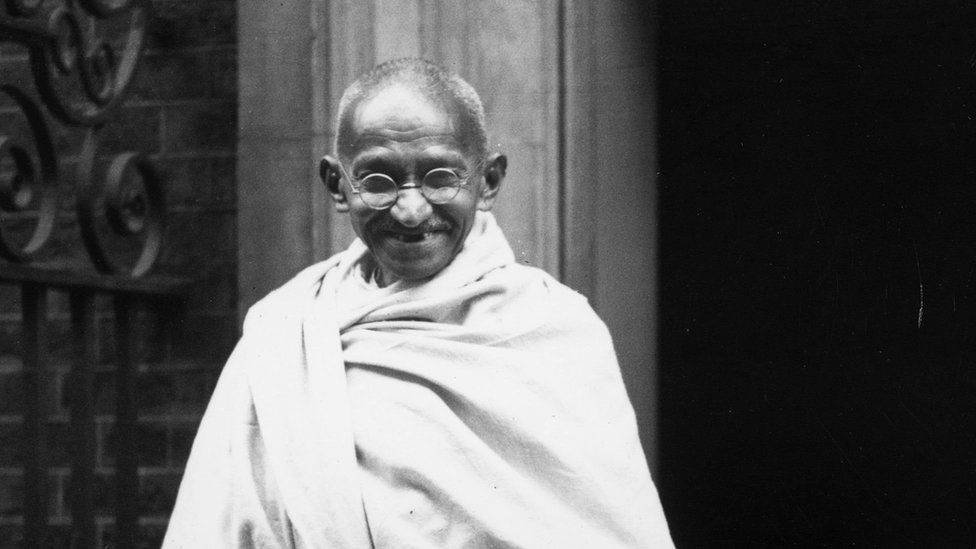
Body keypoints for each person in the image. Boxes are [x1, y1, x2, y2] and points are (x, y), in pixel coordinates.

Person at [162, 58, 673, 548]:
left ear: (488, 180)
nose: (410, 210)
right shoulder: (282, 332)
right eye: (379, 181)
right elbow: (222, 525)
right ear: (338, 185)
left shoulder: (555, 328)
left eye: (440, 177)